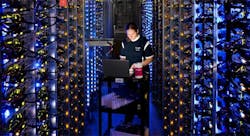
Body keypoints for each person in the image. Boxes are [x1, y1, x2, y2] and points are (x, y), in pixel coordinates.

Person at [120, 22, 154, 136]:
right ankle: (128, 121)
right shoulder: (125, 42)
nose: (130, 37)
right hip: (130, 74)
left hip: (142, 74)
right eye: (128, 35)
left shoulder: (144, 42)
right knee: (128, 98)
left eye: (132, 34)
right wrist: (126, 67)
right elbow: (122, 58)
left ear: (137, 31)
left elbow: (150, 58)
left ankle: (144, 123)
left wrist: (141, 64)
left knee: (143, 100)